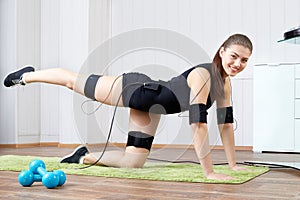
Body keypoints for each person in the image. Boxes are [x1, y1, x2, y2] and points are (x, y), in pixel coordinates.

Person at [3, 33, 252, 180]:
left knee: (133, 163)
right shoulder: (204, 75)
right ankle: (26, 76)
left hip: (152, 109)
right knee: (72, 81)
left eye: (244, 60)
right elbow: (198, 124)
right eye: (234, 56)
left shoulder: (225, 85)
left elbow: (226, 126)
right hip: (136, 89)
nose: (238, 63)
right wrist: (209, 172)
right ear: (221, 51)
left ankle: (82, 156)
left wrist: (231, 164)